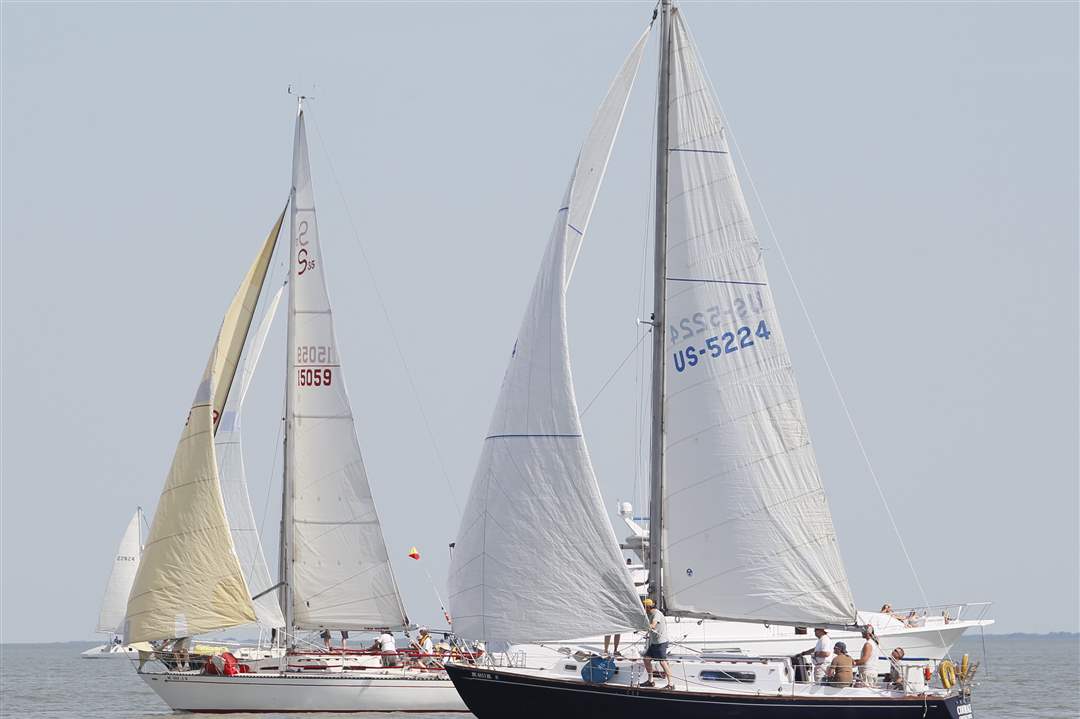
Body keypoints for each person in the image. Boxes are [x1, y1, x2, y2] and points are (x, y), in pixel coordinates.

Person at [640, 598, 672, 689]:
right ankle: (650, 681)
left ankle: (671, 684)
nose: (643, 608)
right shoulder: (649, 614)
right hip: (654, 643)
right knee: (646, 659)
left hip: (661, 642)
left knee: (663, 662)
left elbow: (653, 625)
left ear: (648, 607)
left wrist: (644, 627)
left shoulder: (656, 614)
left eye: (644, 607)